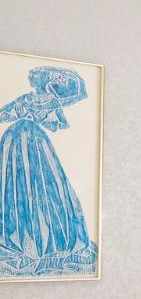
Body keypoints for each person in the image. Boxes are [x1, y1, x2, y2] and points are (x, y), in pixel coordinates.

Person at [0, 65, 97, 277]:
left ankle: (43, 241)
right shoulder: (27, 98)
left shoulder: (49, 101)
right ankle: (22, 239)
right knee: (15, 187)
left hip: (31, 140)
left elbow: (58, 124)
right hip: (15, 139)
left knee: (42, 185)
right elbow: (4, 114)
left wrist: (45, 111)